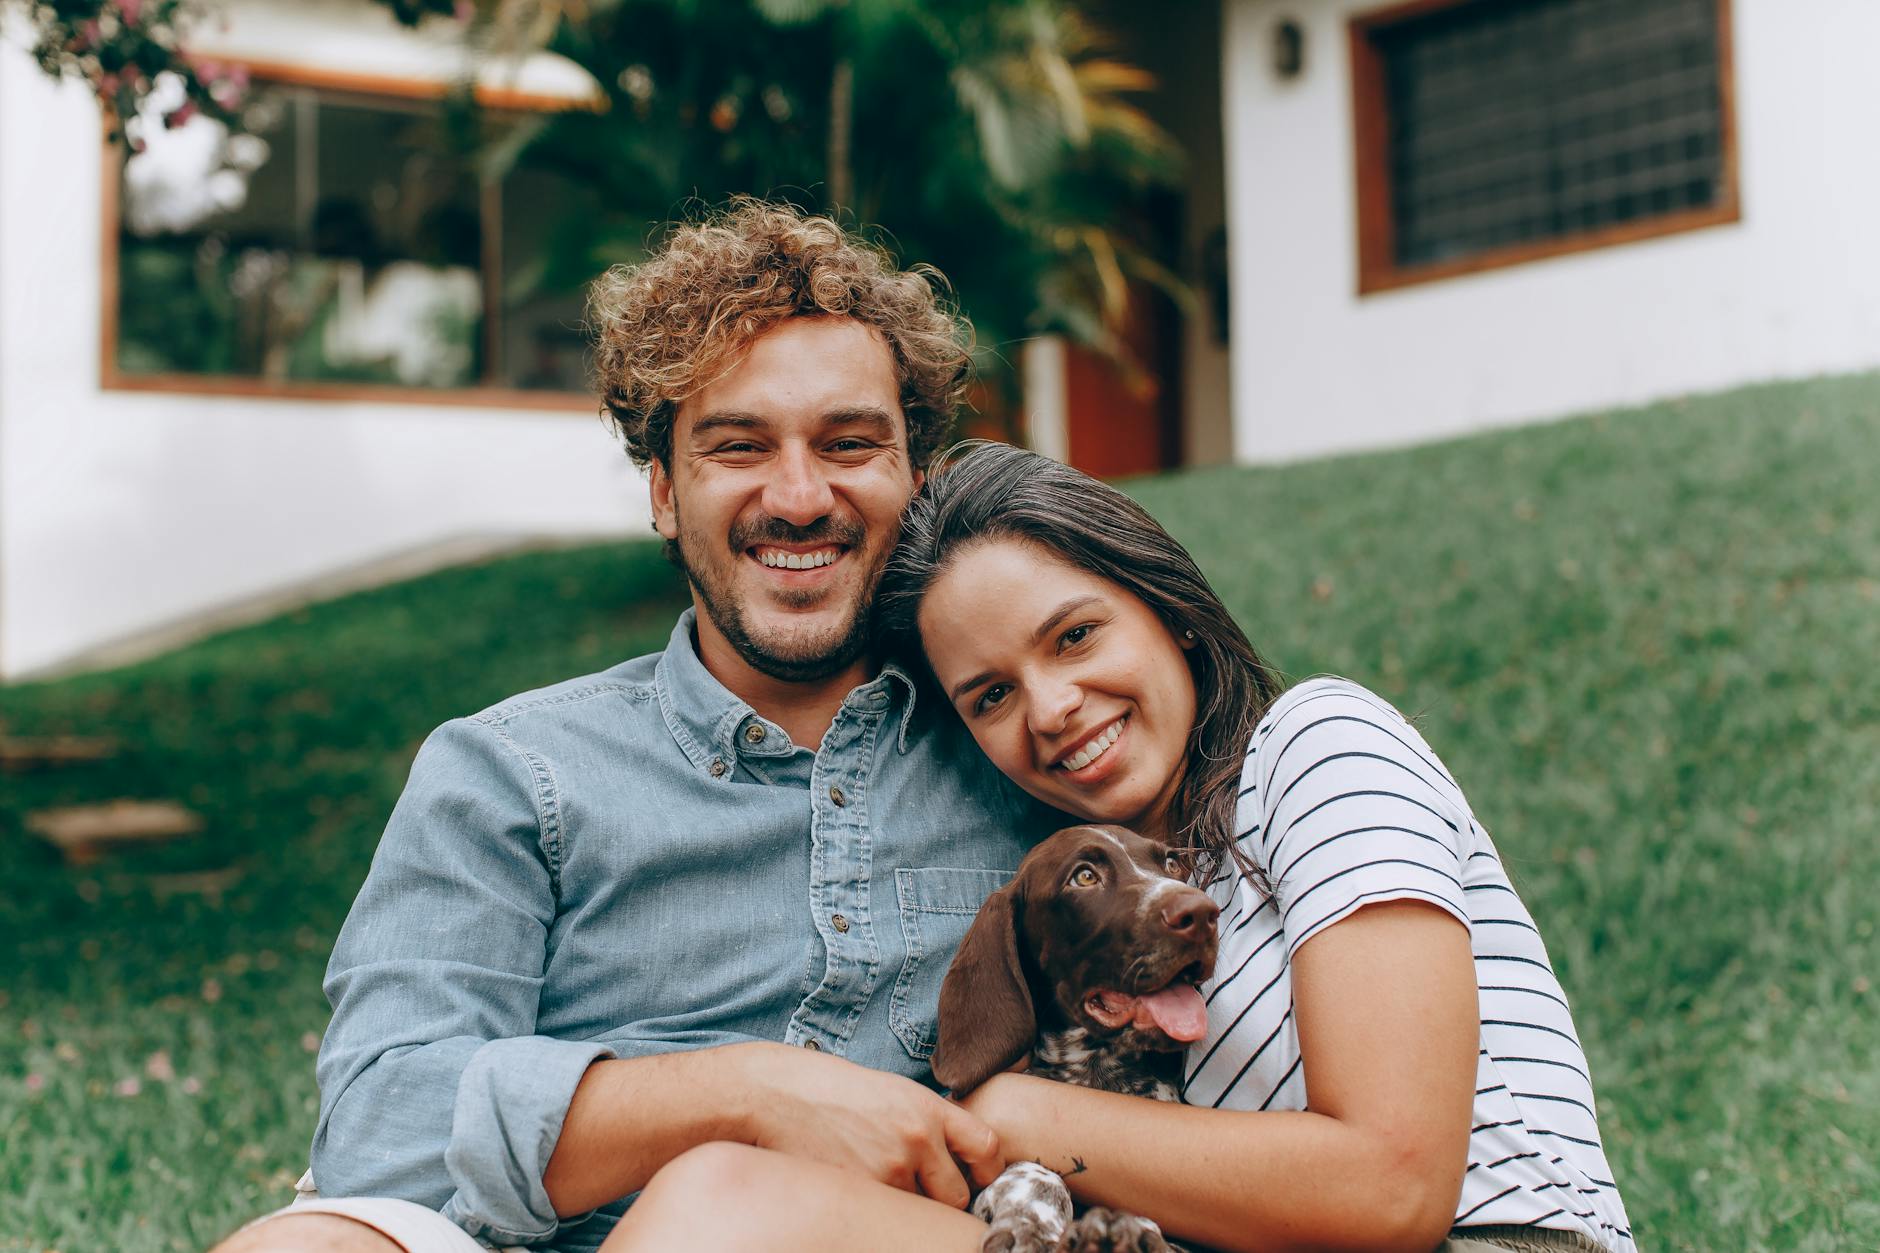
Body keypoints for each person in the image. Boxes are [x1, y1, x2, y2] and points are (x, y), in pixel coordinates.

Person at [211, 205, 1060, 1253]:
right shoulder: (510, 773)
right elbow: (380, 1127)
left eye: (847, 443)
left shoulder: (1018, 746)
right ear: (663, 491)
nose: (798, 496)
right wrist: (741, 1091)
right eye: (737, 446)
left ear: (914, 482)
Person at [601, 441, 1634, 1253]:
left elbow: (1391, 1186)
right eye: (991, 694)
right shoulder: (1100, 897)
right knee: (728, 1197)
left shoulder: (1316, 745)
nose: (1050, 707)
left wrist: (1006, 1109)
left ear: (1166, 610)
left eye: (1074, 635)